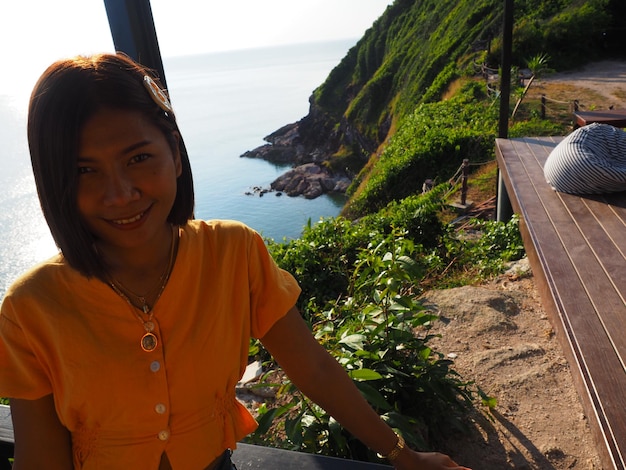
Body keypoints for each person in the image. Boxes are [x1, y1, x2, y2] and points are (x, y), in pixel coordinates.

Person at [0, 53, 470, 470]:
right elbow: (41, 456)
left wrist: (402, 456)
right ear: (55, 180)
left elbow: (312, 367)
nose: (121, 193)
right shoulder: (30, 308)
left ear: (175, 155)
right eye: (85, 170)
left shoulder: (234, 253)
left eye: (139, 157)